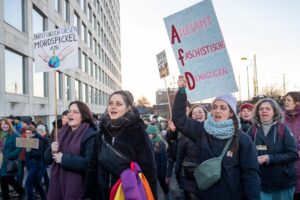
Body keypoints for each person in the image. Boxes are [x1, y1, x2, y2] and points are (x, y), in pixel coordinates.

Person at [172, 76, 260, 200]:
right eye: (214, 107)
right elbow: (179, 120)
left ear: (231, 113)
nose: (217, 111)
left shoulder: (242, 139)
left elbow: (250, 174)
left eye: (223, 108)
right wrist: (182, 91)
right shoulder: (201, 130)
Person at [84, 90, 157, 200]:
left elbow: (149, 169)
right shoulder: (101, 133)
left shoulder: (138, 133)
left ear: (128, 108)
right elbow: (93, 166)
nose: (113, 107)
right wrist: (88, 194)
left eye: (118, 104)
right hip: (102, 194)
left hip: (128, 194)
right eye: (110, 103)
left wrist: (152, 196)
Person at [44, 101, 97, 200]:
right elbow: (46, 160)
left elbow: (89, 163)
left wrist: (64, 159)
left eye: (75, 112)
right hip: (59, 185)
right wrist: (51, 150)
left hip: (80, 189)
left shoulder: (90, 134)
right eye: (69, 111)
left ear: (83, 116)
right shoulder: (61, 133)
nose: (70, 114)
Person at [248, 97, 298, 200]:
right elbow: (245, 153)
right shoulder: (252, 130)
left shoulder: (283, 129)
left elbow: (293, 154)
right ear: (257, 112)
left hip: (283, 183)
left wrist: (269, 158)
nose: (264, 111)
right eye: (261, 109)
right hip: (261, 184)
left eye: (268, 108)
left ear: (274, 112)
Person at [175, 104, 208, 200]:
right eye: (194, 113)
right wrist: (178, 176)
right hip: (190, 180)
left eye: (200, 112)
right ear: (190, 117)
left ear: (205, 115)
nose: (197, 114)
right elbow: (179, 157)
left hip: (209, 178)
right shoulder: (185, 135)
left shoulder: (213, 133)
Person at [0, 118, 25, 200]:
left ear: (9, 125)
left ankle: (21, 191)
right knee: (3, 180)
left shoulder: (15, 134)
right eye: (3, 124)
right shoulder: (1, 134)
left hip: (9, 161)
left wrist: (11, 155)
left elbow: (21, 145)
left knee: (6, 178)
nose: (4, 126)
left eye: (6, 124)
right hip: (1, 160)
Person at [283, 91, 300, 199]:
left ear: (297, 103)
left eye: (288, 100)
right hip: (286, 167)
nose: (285, 102)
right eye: (284, 100)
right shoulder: (280, 119)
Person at [146, 124, 169, 199]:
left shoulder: (160, 143)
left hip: (159, 170)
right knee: (152, 188)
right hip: (152, 171)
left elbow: (164, 161)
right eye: (147, 134)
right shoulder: (148, 142)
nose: (148, 135)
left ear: (154, 134)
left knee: (163, 184)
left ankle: (167, 196)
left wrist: (163, 174)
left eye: (150, 134)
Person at [24, 126, 46, 200]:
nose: (28, 135)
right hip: (30, 165)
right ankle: (44, 197)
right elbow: (26, 155)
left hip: (36, 164)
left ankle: (30, 198)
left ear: (33, 133)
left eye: (29, 133)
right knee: (36, 183)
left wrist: (30, 151)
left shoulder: (37, 141)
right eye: (26, 133)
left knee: (28, 183)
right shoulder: (26, 140)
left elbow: (40, 153)